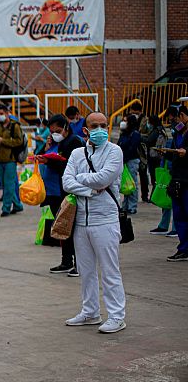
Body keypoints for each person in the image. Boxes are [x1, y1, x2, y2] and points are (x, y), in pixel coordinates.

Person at [61, 111, 127, 334]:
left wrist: (79, 180)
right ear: (85, 130)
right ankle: (90, 312)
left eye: (104, 125)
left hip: (105, 220)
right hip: (80, 220)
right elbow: (66, 182)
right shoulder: (77, 153)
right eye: (95, 125)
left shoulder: (114, 151)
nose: (100, 129)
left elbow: (104, 179)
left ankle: (117, 316)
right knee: (86, 270)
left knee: (110, 271)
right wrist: (89, 189)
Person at [35, 114, 84, 276]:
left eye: (57, 130)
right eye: (51, 131)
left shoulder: (74, 142)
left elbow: (70, 165)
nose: (54, 133)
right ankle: (66, 260)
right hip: (54, 191)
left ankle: (80, 263)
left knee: (73, 226)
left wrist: (50, 161)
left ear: (65, 127)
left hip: (67, 191)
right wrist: (46, 149)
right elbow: (41, 155)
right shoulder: (56, 142)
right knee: (62, 226)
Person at [157, 105, 188, 262]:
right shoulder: (177, 135)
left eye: (176, 118)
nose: (175, 122)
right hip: (177, 179)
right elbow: (176, 157)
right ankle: (184, 248)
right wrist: (167, 154)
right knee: (179, 215)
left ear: (182, 116)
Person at [0, 104, 24, 217]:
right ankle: (17, 205)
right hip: (0, 159)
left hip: (10, 159)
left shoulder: (15, 126)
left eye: (2, 113)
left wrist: (3, 141)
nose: (0, 116)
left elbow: (18, 141)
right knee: (6, 184)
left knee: (9, 184)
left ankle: (6, 208)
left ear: (7, 113)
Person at [117, 114, 142, 214]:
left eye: (125, 121)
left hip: (131, 161)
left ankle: (132, 206)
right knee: (125, 184)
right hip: (124, 161)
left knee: (132, 184)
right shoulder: (124, 134)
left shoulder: (135, 134)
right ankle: (125, 205)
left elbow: (132, 148)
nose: (123, 123)